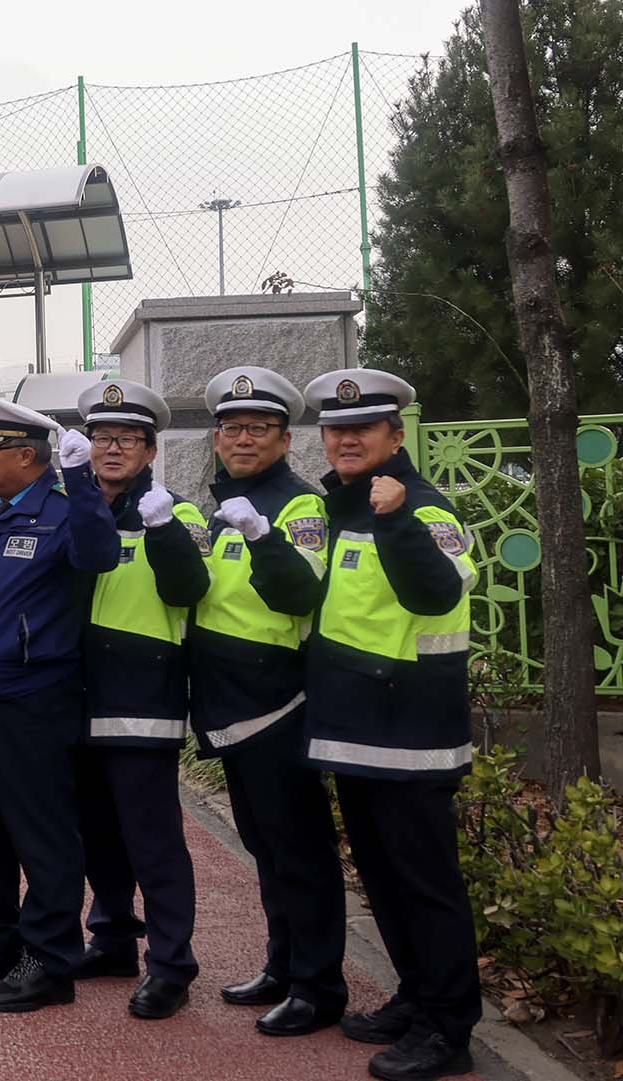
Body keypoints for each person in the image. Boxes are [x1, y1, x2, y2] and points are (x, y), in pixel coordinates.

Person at [302, 369, 481, 1081]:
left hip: (414, 735)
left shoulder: (426, 509)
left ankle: (449, 1027)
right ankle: (417, 995)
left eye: (363, 429)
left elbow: (436, 595)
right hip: (356, 731)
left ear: (395, 436)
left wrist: (399, 516)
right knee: (383, 877)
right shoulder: (342, 508)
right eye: (337, 430)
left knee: (427, 885)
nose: (347, 439)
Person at [0, 393, 116, 1013]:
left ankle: (50, 957)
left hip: (33, 696)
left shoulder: (63, 511)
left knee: (41, 832)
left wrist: (84, 479)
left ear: (26, 455)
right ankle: (1, 937)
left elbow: (99, 556)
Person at [189, 366, 347, 1038]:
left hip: (279, 703)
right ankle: (283, 965)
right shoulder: (230, 500)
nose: (242, 438)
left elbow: (296, 596)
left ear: (286, 439)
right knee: (265, 847)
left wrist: (261, 534)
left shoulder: (298, 506)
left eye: (258, 427)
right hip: (232, 705)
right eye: (231, 427)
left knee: (301, 852)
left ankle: (319, 986)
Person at [69, 378, 208, 1020]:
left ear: (150, 451)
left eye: (127, 439)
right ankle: (115, 939)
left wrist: (162, 532)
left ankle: (172, 964)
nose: (112, 448)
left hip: (142, 702)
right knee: (96, 835)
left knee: (152, 840)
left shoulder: (174, 512)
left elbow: (186, 589)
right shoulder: (73, 506)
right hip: (77, 699)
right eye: (102, 438)